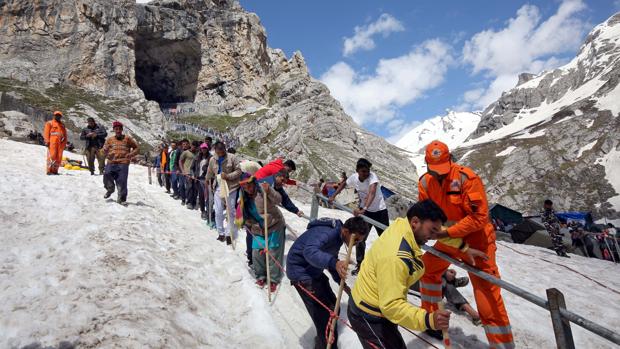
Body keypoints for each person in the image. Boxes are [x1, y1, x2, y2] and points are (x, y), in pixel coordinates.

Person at [417, 140, 513, 347]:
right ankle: (433, 322)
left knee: (487, 295)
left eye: (442, 169)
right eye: (434, 171)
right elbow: (424, 213)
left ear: (450, 159)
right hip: (450, 240)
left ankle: (502, 345)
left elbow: (479, 217)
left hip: (477, 242)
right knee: (427, 269)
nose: (439, 175)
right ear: (426, 165)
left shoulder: (466, 178)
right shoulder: (425, 182)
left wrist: (446, 233)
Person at [348, 200, 480, 349]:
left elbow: (438, 230)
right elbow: (391, 306)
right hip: (369, 315)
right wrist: (429, 320)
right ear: (415, 222)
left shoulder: (404, 225)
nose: (434, 236)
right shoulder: (396, 257)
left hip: (377, 305)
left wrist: (463, 247)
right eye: (431, 231)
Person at [287, 216, 369, 349]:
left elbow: (332, 257)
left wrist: (339, 280)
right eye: (356, 240)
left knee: (332, 304)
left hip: (313, 270)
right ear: (346, 231)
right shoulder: (328, 233)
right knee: (324, 316)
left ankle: (324, 340)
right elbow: (310, 251)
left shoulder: (338, 236)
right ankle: (326, 344)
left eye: (359, 241)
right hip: (301, 272)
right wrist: (334, 263)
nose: (356, 244)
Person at [329, 158, 389, 275]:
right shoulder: (354, 178)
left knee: (386, 239)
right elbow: (343, 185)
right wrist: (333, 196)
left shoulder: (373, 177)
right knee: (360, 238)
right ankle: (360, 265)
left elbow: (372, 193)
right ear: (357, 171)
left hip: (380, 211)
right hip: (365, 211)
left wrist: (364, 209)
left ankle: (386, 266)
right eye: (363, 171)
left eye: (367, 171)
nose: (366, 174)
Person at [238, 174, 285, 292]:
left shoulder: (263, 189)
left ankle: (273, 279)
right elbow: (241, 214)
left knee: (273, 253)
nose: (247, 189)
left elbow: (279, 199)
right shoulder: (244, 197)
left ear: (254, 183)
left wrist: (269, 191)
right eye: (244, 187)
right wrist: (242, 221)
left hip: (274, 226)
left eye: (249, 185)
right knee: (256, 253)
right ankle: (260, 276)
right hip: (257, 229)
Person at [411, 269, 481, 325]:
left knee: (440, 278)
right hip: (414, 283)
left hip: (419, 277)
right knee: (441, 281)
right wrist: (444, 273)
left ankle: (451, 281)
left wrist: (444, 271)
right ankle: (453, 282)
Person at [205, 141, 242, 244]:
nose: (220, 153)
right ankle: (220, 233)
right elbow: (210, 171)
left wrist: (228, 176)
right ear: (215, 150)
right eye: (218, 152)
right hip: (218, 187)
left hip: (231, 188)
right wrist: (207, 179)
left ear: (225, 149)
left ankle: (229, 234)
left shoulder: (232, 158)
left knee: (230, 211)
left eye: (222, 151)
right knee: (218, 211)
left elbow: (239, 171)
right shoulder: (213, 159)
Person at [102, 121, 139, 205]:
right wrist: (105, 151)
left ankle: (122, 198)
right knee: (107, 174)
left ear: (122, 130)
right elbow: (104, 150)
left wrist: (131, 154)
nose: (118, 131)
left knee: (122, 180)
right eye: (116, 129)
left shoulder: (127, 139)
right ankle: (110, 189)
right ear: (114, 130)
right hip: (111, 161)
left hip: (123, 162)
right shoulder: (110, 140)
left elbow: (136, 148)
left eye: (119, 129)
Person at [43, 111, 67, 175]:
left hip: (60, 144)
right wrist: (47, 141)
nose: (58, 116)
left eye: (59, 115)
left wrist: (64, 144)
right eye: (56, 115)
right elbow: (46, 133)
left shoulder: (62, 125)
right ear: (54, 116)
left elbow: (65, 135)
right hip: (52, 143)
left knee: (59, 158)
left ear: (61, 117)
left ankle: (55, 171)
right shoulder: (49, 123)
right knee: (52, 156)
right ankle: (49, 170)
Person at [194, 143, 211, 219]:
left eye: (205, 148)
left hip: (207, 179)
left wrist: (206, 168)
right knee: (201, 195)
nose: (203, 149)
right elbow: (192, 167)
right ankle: (203, 211)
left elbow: (212, 168)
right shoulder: (198, 157)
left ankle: (208, 211)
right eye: (202, 148)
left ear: (207, 149)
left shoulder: (210, 157)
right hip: (199, 178)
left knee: (208, 196)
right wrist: (193, 174)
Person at [183, 141, 200, 209]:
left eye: (196, 147)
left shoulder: (198, 154)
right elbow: (180, 161)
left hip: (196, 174)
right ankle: (189, 202)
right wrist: (182, 170)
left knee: (195, 188)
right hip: (188, 172)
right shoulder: (186, 152)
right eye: (193, 146)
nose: (194, 148)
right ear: (191, 145)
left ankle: (194, 202)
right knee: (189, 187)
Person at [177, 139, 191, 205]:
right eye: (183, 144)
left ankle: (188, 199)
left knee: (188, 186)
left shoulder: (191, 152)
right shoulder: (179, 151)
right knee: (181, 185)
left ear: (188, 144)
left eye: (186, 144)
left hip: (188, 172)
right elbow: (176, 161)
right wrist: (177, 169)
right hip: (181, 171)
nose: (184, 146)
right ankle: (183, 199)